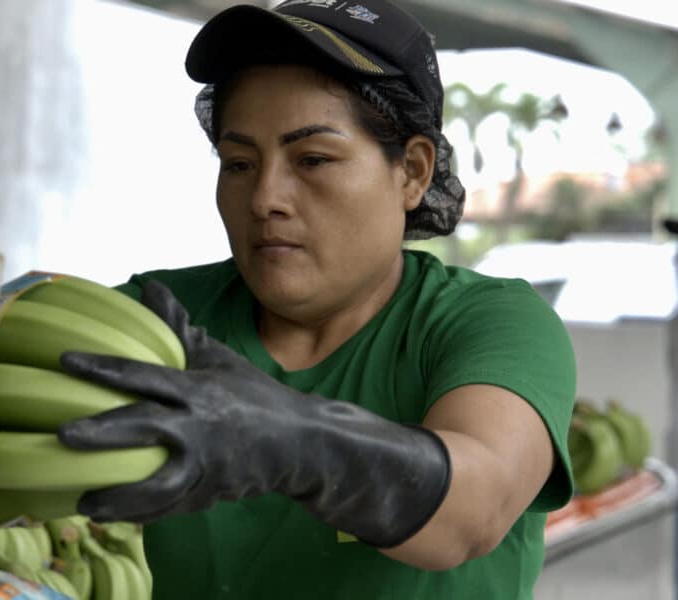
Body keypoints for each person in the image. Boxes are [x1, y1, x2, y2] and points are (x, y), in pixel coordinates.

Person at [55, 1, 576, 598]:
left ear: (412, 171)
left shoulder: (489, 324)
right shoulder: (161, 317)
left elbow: (471, 510)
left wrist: (291, 442)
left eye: (313, 159)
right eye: (239, 163)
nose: (264, 198)